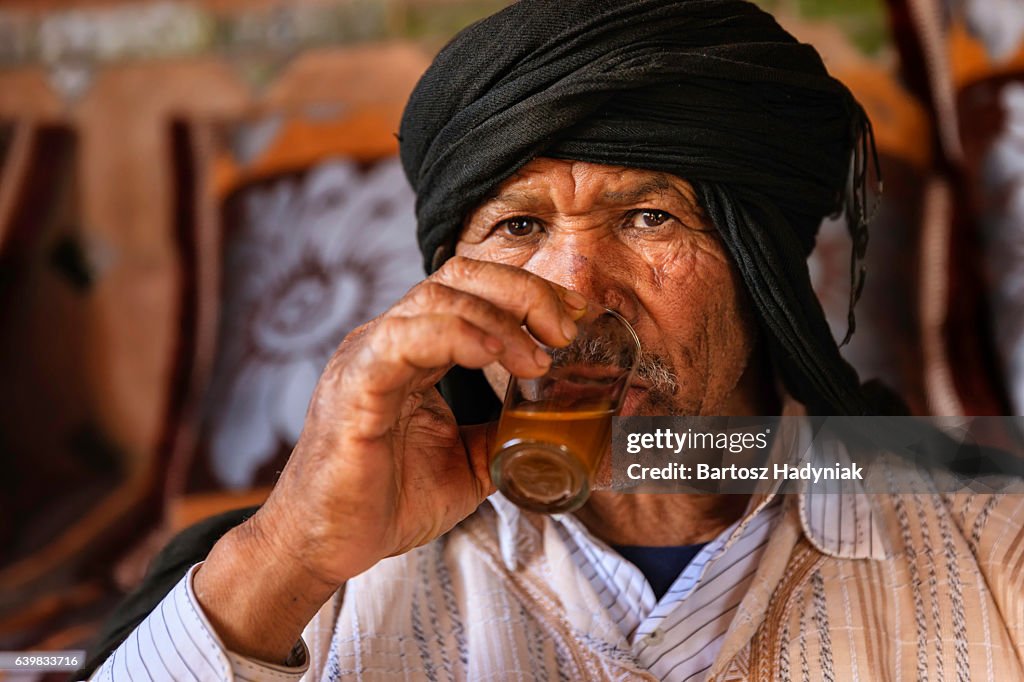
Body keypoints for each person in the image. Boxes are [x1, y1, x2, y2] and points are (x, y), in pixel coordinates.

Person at [85, 1, 1024, 680]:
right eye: (520, 229)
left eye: (650, 218)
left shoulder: (991, 542)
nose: (573, 297)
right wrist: (293, 551)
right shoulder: (309, 585)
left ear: (763, 266)